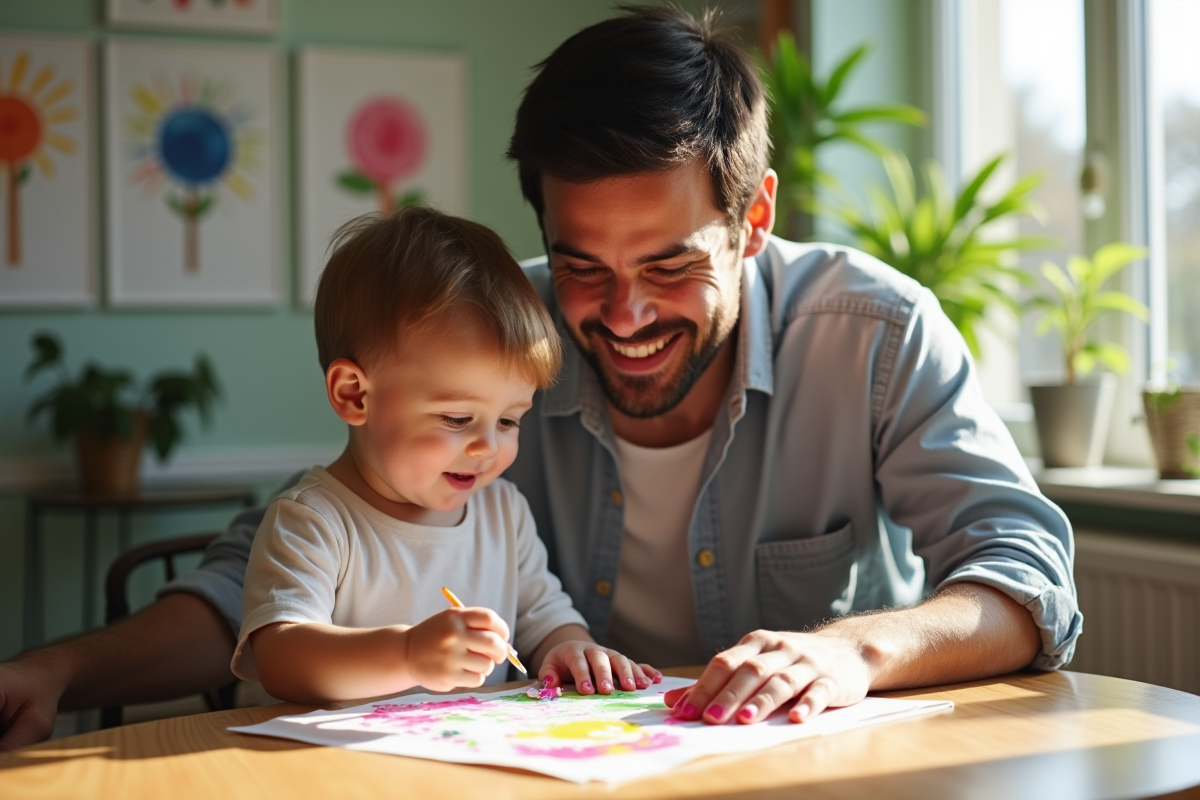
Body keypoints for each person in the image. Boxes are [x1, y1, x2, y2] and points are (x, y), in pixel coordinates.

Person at [0, 5, 1079, 749]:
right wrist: (58, 670)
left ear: (752, 220)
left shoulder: (875, 333)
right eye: (580, 263)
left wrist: (852, 651)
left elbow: (1027, 574)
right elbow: (262, 582)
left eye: (667, 264)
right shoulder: (490, 333)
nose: (622, 314)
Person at [232, 208, 659, 703]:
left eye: (509, 421)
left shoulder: (504, 513)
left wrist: (571, 648)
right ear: (354, 395)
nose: (488, 447)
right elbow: (282, 659)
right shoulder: (313, 521)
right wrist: (409, 654)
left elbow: (546, 618)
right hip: (330, 772)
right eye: (457, 420)